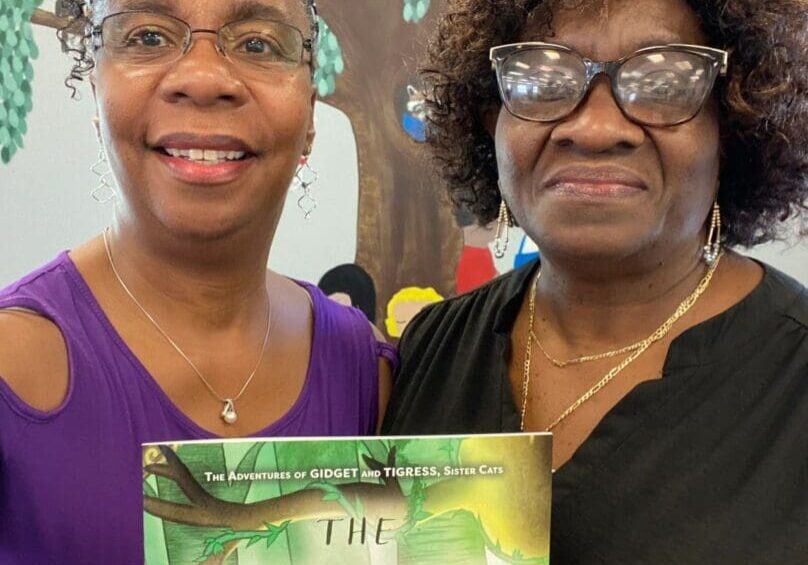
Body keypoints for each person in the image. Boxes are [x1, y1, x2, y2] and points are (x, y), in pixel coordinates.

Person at [383, 0, 808, 562]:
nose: (596, 128)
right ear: (492, 118)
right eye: (542, 77)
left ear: (732, 123)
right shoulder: (430, 349)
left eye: (663, 79)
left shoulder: (793, 374)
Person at [0, 1, 394, 563]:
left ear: (309, 117)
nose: (204, 79)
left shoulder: (365, 371)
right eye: (148, 37)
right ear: (96, 96)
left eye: (258, 43)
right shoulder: (11, 366)